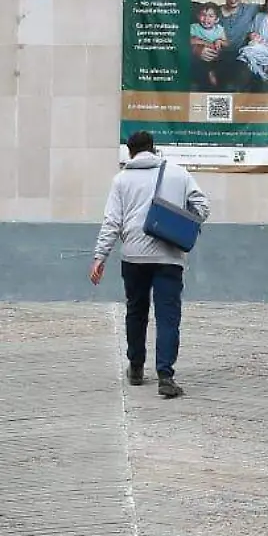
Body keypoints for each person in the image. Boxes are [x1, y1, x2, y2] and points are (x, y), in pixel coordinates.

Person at [90, 129, 213, 399]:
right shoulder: (178, 173)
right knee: (168, 316)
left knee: (136, 311)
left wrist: (100, 257)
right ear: (153, 148)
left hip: (133, 257)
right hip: (169, 257)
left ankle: (135, 367)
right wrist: (180, 220)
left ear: (130, 152)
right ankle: (165, 376)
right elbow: (203, 207)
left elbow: (112, 222)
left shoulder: (121, 180)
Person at [187, 0, 227, 89]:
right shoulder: (194, 27)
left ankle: (214, 75)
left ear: (216, 19)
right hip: (200, 58)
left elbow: (226, 43)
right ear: (198, 16)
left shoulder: (219, 29)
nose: (206, 19)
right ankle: (209, 73)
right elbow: (189, 40)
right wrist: (204, 43)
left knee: (224, 59)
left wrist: (219, 41)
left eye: (211, 16)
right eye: (203, 15)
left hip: (216, 55)